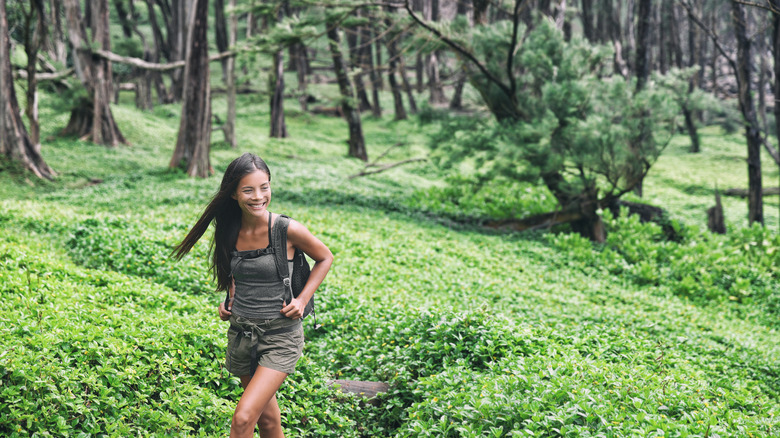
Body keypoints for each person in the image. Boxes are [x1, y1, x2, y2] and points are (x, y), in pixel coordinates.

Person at [173, 153, 333, 438]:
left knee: (243, 418)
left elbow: (325, 258)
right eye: (248, 190)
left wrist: (302, 299)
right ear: (234, 193)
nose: (258, 196)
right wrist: (228, 300)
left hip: (280, 336)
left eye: (264, 187)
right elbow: (234, 273)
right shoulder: (230, 230)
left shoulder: (286, 230)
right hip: (242, 335)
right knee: (268, 421)